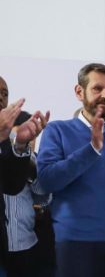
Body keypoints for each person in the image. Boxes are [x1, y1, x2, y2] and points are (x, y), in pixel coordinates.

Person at [37, 63, 105, 277]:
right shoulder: (56, 130)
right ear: (80, 92)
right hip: (75, 242)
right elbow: (48, 181)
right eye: (98, 88)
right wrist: (92, 150)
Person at [0, 76, 50, 275]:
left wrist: (21, 147)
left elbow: (13, 186)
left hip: (23, 243)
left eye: (5, 93)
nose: (1, 97)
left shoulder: (12, 145)